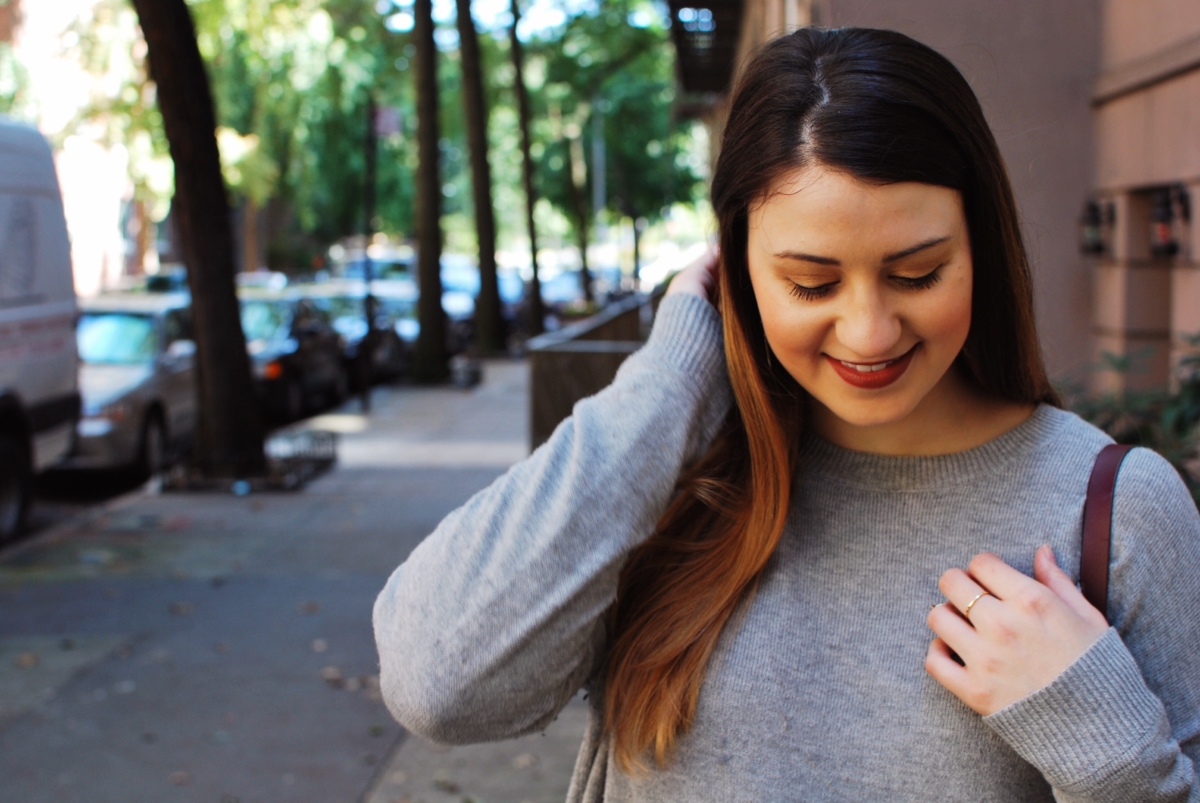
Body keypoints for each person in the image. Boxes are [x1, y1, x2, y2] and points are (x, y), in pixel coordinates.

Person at [373, 27, 1200, 801]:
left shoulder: (1117, 513)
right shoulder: (669, 480)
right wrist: (666, 384)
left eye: (917, 272)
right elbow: (438, 684)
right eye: (811, 283)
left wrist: (1110, 751)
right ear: (733, 272)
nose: (869, 330)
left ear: (980, 249)